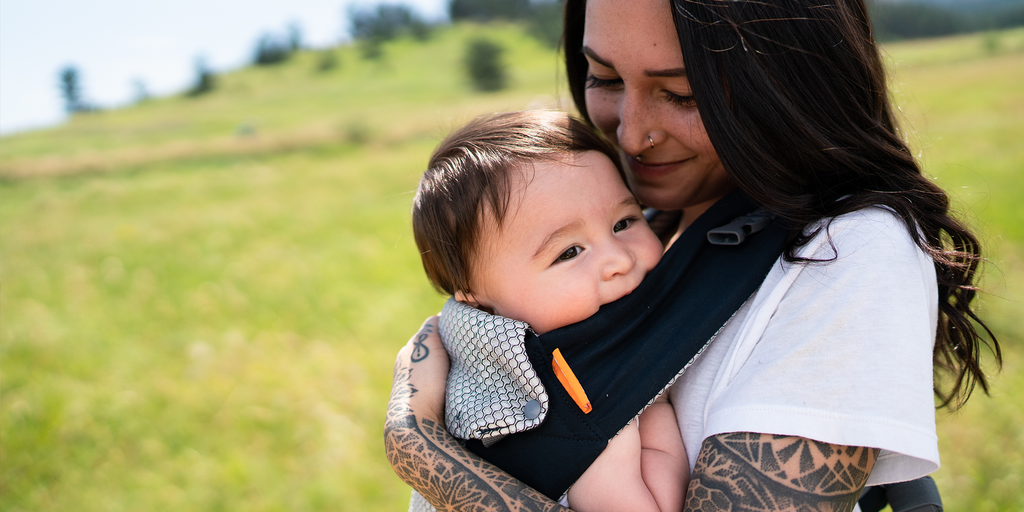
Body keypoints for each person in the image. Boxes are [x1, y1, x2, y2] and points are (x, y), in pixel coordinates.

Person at [385, 0, 1001, 510]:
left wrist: (420, 448)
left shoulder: (846, 252)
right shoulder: (641, 233)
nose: (629, 134)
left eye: (680, 93)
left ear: (787, 85)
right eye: (603, 78)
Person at [411, 110, 686, 511]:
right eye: (569, 252)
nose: (619, 261)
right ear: (475, 295)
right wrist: (654, 399)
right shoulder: (557, 404)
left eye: (624, 222)